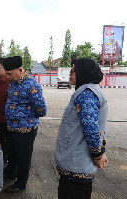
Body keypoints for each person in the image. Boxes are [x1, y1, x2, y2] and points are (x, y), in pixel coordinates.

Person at [55, 58, 108, 199]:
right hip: (75, 163)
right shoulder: (84, 92)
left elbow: (91, 129)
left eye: (74, 70)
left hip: (76, 165)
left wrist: (98, 155)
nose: (70, 73)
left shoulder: (87, 94)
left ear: (84, 73)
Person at [3, 56, 47, 193]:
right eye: (6, 74)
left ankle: (21, 184)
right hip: (11, 127)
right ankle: (11, 174)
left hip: (25, 130)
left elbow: (41, 109)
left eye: (9, 74)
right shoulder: (13, 82)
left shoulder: (32, 85)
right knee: (12, 155)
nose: (7, 77)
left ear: (20, 70)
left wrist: (24, 115)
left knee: (23, 159)